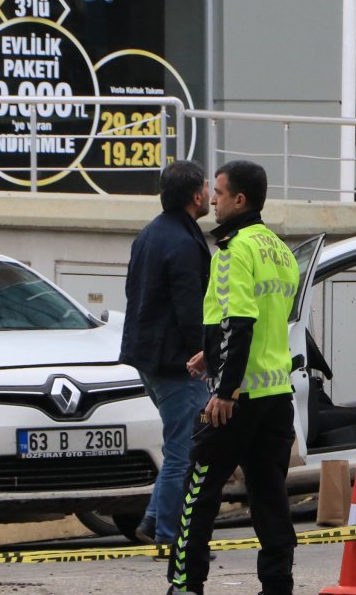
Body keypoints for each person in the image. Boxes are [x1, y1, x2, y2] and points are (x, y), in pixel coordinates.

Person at [167, 160, 299, 595]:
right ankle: (278, 585)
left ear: (240, 199)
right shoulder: (280, 251)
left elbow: (239, 322)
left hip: (237, 398)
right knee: (270, 498)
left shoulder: (232, 249)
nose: (213, 201)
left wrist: (224, 388)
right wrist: (213, 353)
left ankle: (185, 584)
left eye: (220, 193)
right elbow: (265, 324)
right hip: (277, 397)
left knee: (198, 490)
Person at [119, 160, 212, 545]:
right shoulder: (182, 244)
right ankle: (170, 536)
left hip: (149, 360)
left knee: (180, 446)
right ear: (195, 196)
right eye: (207, 188)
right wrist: (204, 356)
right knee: (182, 453)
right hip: (177, 365)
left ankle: (153, 519)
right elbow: (191, 310)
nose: (210, 194)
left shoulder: (151, 234)